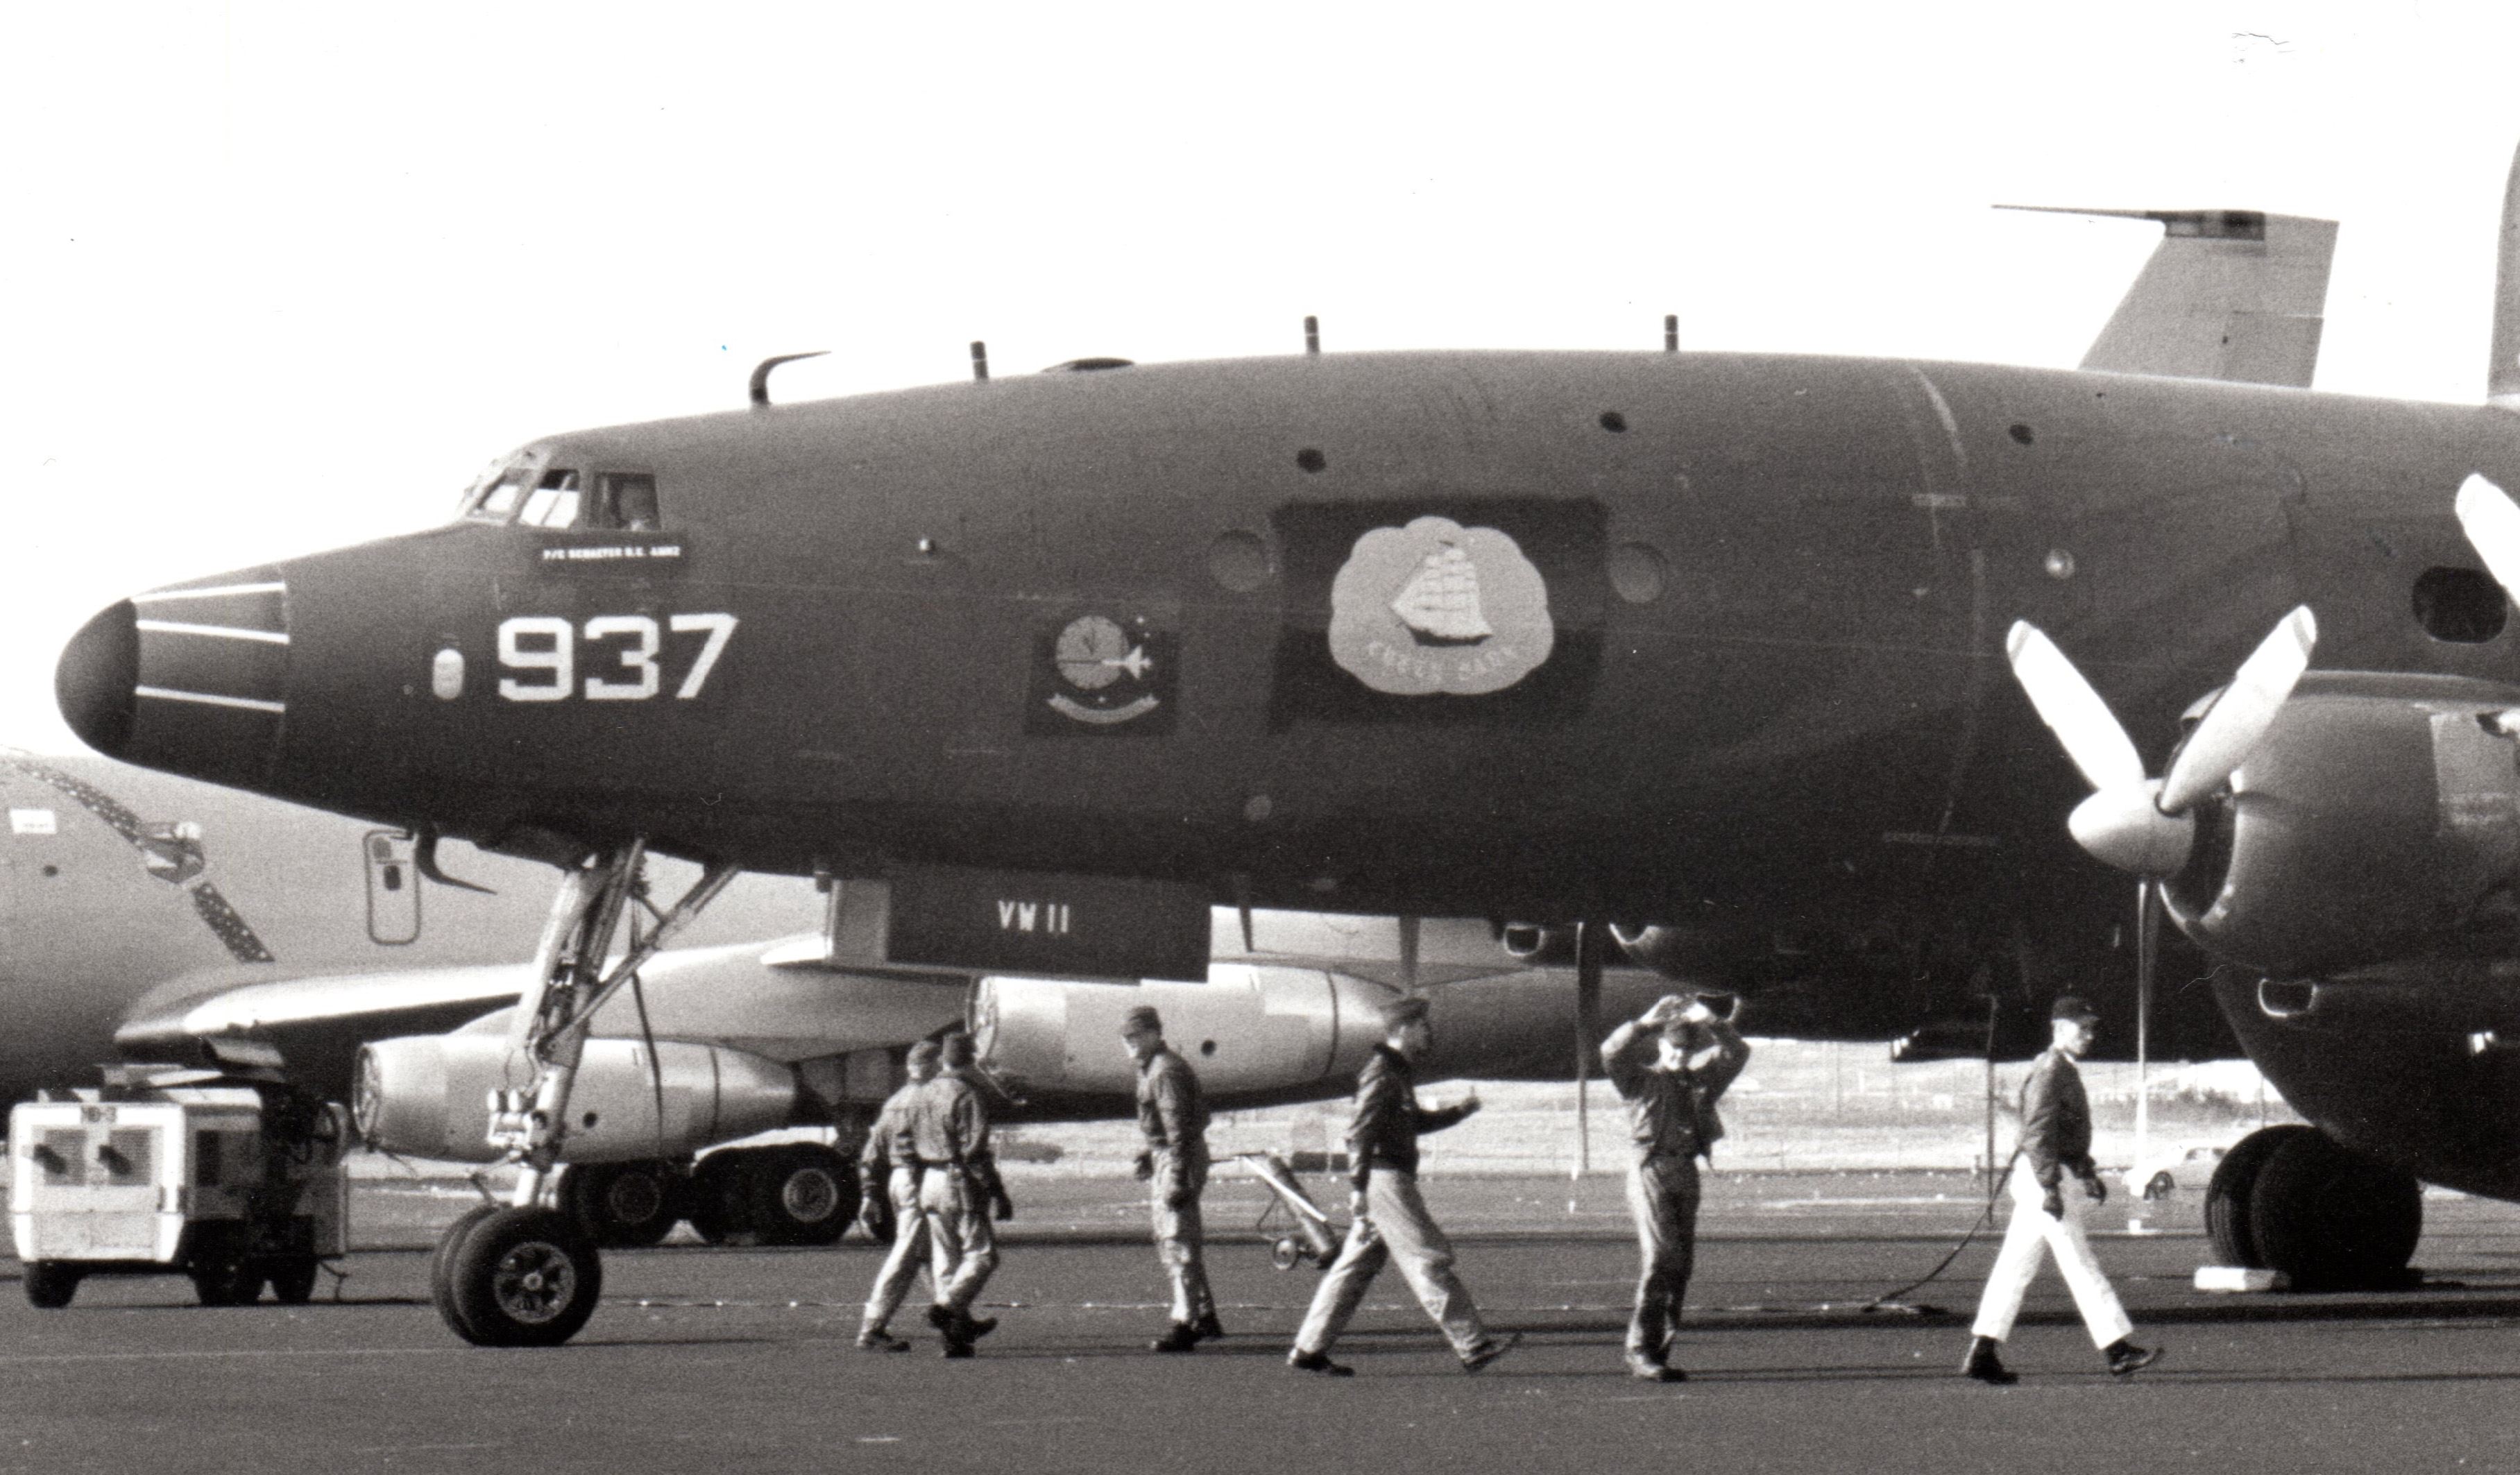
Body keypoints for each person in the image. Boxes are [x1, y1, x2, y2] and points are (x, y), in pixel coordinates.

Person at [1287, 995, 1518, 1376]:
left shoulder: (1395, 1071)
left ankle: (1309, 1349)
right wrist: (1358, 1188)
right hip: (1385, 1182)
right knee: (1428, 1258)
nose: (1429, 1033)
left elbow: (1410, 1124)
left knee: (1353, 1270)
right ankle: (1472, 1344)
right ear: (1405, 1030)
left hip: (1382, 1180)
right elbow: (1360, 1132)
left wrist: (1458, 1112)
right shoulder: (1383, 1072)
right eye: (1423, 1026)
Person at [1962, 996, 2161, 1383]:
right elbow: (2037, 1133)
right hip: (2044, 1180)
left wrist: (2085, 1171)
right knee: (2080, 1265)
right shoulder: (2051, 1070)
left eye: (2091, 1028)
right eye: (2080, 1027)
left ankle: (1982, 1353)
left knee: (2013, 1270)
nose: (2089, 1035)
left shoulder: (2061, 1069)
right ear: (2059, 1029)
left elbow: (2061, 1134)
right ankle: (2117, 1350)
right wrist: (2051, 1187)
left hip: (2045, 1177)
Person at [1599, 991, 1750, 1381]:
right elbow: (1611, 1053)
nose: (1681, 1055)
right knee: (1661, 1259)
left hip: (1685, 1171)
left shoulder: (1701, 1084)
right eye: (1674, 1047)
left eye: (1688, 1050)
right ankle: (1639, 1350)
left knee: (1681, 1266)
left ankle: (1659, 1352)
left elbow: (1738, 1054)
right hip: (1650, 1170)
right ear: (1662, 1046)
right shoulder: (1639, 1083)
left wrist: (1713, 1021)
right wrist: (1644, 1023)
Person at [1123, 1005, 1224, 1353]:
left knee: (1176, 1238)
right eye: (1127, 1037)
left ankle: (1185, 1322)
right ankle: (1205, 1314)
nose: (1131, 1043)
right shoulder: (1152, 1067)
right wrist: (1151, 1152)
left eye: (1137, 1036)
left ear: (1154, 1034)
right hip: (1171, 1154)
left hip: (1179, 1157)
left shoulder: (1164, 1071)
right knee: (1177, 1236)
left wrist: (1177, 1175)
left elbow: (1178, 1128)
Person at [910, 1031, 1012, 1357]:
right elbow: (975, 1149)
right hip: (959, 1180)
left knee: (946, 1260)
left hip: (930, 1180)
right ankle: (945, 1307)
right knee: (982, 1256)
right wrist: (996, 1191)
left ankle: (953, 1338)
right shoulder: (967, 1094)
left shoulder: (923, 1093)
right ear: (972, 1060)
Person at [854, 1038, 941, 1352]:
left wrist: (869, 1194)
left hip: (898, 1179)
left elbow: (871, 1154)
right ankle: (873, 1327)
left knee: (927, 1254)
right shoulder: (933, 1100)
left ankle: (949, 1314)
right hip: (920, 1180)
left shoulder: (895, 1102)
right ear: (933, 1066)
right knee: (908, 1255)